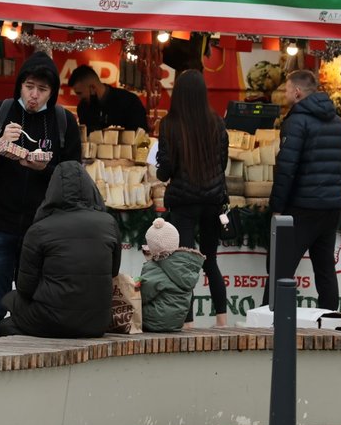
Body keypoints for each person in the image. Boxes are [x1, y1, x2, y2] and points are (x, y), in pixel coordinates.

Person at [0, 51, 81, 340]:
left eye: (42, 90)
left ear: (52, 92)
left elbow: (73, 177)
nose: (34, 95)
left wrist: (45, 168)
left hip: (42, 230)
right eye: (29, 87)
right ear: (20, 85)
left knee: (36, 307)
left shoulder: (63, 122)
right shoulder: (0, 112)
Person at [0, 161, 121, 338]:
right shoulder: (109, 223)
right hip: (98, 322)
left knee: (8, 313)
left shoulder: (40, 228)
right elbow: (113, 272)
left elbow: (25, 288)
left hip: (52, 319)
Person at [265, 69, 341, 311]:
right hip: (331, 207)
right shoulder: (338, 122)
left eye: (286, 89)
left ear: (298, 91)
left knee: (281, 266)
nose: (284, 93)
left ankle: (270, 318)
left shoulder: (296, 122)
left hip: (303, 206)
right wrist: (331, 190)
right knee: (325, 268)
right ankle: (330, 322)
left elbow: (286, 169)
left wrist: (277, 207)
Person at [155, 69, 229, 328]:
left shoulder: (169, 124)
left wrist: (158, 171)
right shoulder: (217, 123)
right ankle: (222, 319)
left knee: (184, 264)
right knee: (210, 260)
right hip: (212, 201)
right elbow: (223, 162)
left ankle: (188, 322)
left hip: (183, 204)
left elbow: (166, 168)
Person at [139, 217, 205, 333]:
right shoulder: (185, 264)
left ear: (152, 245)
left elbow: (143, 294)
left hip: (154, 321)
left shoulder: (155, 267)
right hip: (178, 322)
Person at [67, 64, 148, 133]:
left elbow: (141, 136)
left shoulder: (129, 102)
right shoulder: (83, 108)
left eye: (79, 93)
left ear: (93, 88)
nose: (78, 98)